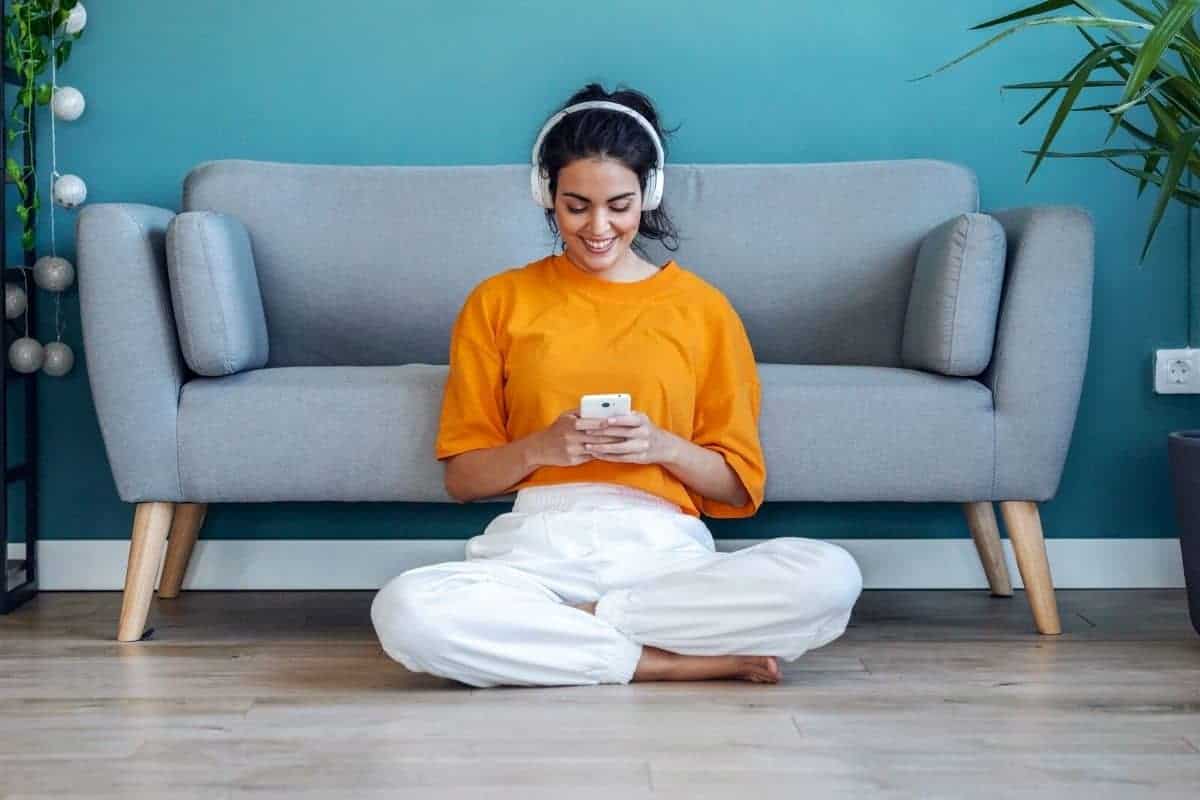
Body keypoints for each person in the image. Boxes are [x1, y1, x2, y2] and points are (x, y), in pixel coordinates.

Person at [370, 83, 863, 688]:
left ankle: (580, 628)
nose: (598, 227)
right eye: (576, 206)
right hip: (534, 552)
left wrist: (662, 447)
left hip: (665, 553)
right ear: (545, 194)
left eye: (619, 206)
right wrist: (540, 449)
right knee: (407, 610)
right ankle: (662, 661)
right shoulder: (497, 300)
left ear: (649, 194)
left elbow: (738, 490)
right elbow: (463, 480)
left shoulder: (703, 309)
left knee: (831, 576)